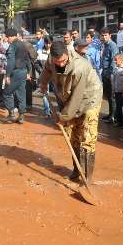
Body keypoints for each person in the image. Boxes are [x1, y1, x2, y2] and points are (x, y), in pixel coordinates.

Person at [39, 41, 103, 183]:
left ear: (68, 54)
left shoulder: (80, 66)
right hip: (69, 97)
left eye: (63, 61)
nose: (60, 64)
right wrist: (43, 82)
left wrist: (63, 117)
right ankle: (76, 169)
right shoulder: (52, 59)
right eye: (57, 61)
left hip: (89, 98)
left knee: (87, 137)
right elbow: (47, 70)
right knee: (73, 135)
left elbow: (77, 97)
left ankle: (87, 177)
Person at [2, 28, 32, 124]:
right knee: (21, 93)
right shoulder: (23, 44)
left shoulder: (13, 45)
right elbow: (28, 59)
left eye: (7, 37)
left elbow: (11, 61)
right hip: (23, 72)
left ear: (10, 36)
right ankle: (21, 116)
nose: (6, 39)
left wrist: (7, 75)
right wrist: (29, 72)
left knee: (6, 92)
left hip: (15, 72)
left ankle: (11, 115)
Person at [101, 27, 119, 123]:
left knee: (112, 96)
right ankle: (110, 114)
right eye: (103, 35)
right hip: (105, 72)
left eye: (106, 35)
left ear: (110, 35)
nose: (104, 37)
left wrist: (110, 74)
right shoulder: (105, 45)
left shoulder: (112, 45)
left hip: (110, 73)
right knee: (108, 95)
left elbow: (113, 60)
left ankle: (113, 116)